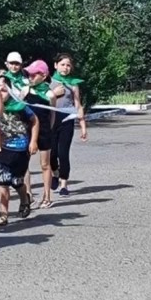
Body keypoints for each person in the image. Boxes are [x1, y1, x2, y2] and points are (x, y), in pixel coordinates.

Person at [0, 73, 37, 226]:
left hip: (22, 148)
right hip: (5, 149)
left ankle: (24, 198)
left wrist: (33, 141)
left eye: (4, 89)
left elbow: (35, 121)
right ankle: (4, 214)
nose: (1, 92)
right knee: (2, 180)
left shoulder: (20, 106)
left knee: (16, 181)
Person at [50, 53, 88, 196]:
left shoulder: (73, 84)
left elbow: (78, 105)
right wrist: (53, 93)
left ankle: (64, 184)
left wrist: (83, 126)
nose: (65, 68)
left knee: (63, 153)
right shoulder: (49, 81)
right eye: (62, 64)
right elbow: (42, 100)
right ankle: (55, 173)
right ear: (56, 65)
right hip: (52, 119)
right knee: (52, 154)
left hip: (67, 119)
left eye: (68, 65)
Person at [21, 60, 56, 208]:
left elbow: (53, 115)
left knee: (45, 164)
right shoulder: (26, 90)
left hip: (44, 132)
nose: (30, 77)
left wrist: (49, 129)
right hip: (27, 130)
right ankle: (28, 194)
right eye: (28, 74)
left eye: (33, 74)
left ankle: (47, 196)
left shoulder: (50, 94)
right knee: (24, 164)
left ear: (43, 75)